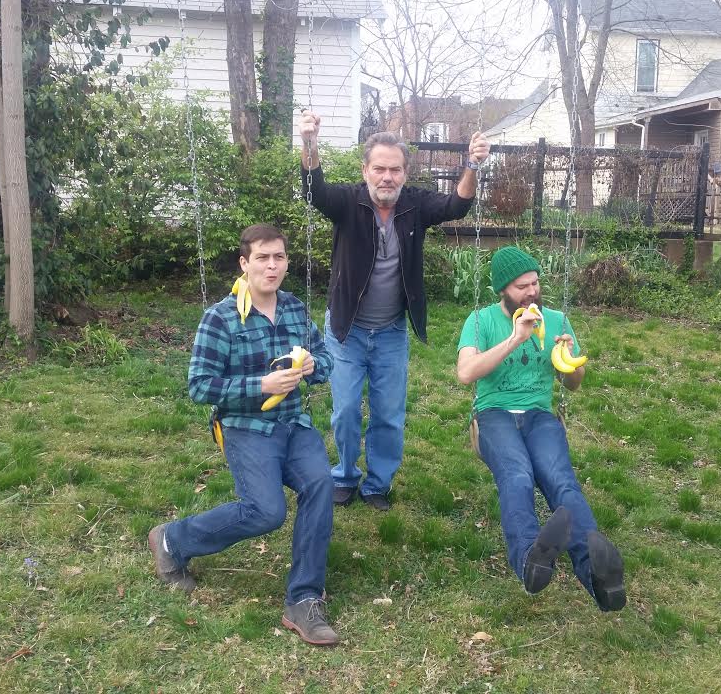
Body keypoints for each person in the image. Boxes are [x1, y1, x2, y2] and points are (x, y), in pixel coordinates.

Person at [147, 223, 340, 646]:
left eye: (279, 258)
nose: (272, 266)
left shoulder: (294, 308)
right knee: (265, 511)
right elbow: (200, 387)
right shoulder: (220, 318)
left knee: (321, 484)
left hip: (293, 424)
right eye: (263, 258)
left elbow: (324, 357)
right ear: (244, 263)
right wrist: (260, 386)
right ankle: (172, 539)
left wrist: (312, 367)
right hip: (245, 428)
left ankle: (304, 599)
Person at [300, 109, 491, 511]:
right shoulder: (347, 203)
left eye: (396, 170)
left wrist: (472, 164)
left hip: (389, 332)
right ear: (365, 170)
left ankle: (377, 484)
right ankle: (345, 475)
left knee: (388, 414)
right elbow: (314, 191)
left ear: (405, 173)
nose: (387, 178)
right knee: (347, 409)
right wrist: (309, 143)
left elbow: (457, 206)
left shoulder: (414, 205)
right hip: (345, 330)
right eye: (380, 169)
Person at [455, 246, 626, 611]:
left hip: (538, 414)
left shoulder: (558, 319)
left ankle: (600, 579)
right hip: (493, 413)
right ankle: (530, 562)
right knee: (517, 475)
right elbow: (465, 373)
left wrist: (570, 364)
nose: (532, 292)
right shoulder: (481, 321)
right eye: (521, 286)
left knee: (559, 479)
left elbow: (574, 384)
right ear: (503, 290)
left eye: (535, 282)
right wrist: (516, 337)